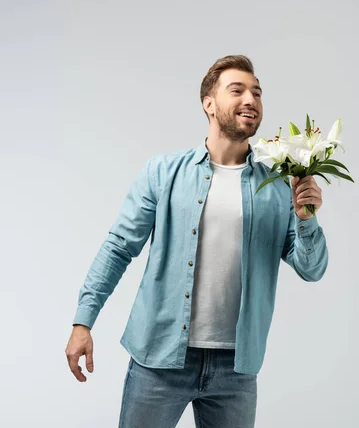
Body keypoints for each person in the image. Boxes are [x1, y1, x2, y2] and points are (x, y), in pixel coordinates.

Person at [65, 54, 328, 427]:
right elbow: (119, 247)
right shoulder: (163, 172)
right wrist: (83, 321)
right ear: (208, 103)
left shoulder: (277, 187)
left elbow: (312, 269)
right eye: (236, 90)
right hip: (159, 358)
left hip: (236, 369)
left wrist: (306, 220)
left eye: (257, 92)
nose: (250, 100)